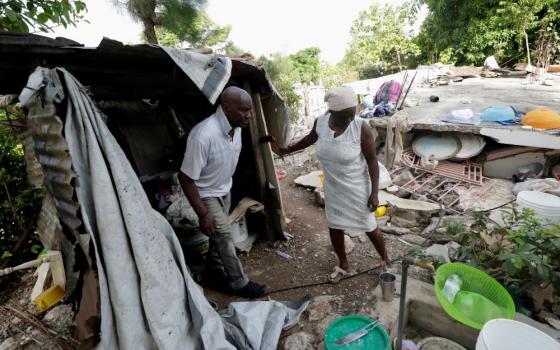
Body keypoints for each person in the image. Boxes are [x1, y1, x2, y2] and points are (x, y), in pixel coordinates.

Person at [278, 86, 389, 282]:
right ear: (332, 111)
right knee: (335, 226)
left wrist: (374, 193)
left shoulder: (359, 126)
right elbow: (309, 139)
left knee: (370, 226)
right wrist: (288, 150)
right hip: (334, 186)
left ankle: (385, 262)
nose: (349, 119)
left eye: (351, 114)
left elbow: (372, 160)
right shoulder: (321, 123)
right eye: (344, 116)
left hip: (358, 187)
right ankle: (344, 265)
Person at [178, 86, 267, 298]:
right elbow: (186, 178)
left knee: (217, 238)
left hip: (223, 189)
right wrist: (203, 213)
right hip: (205, 192)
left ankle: (214, 273)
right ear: (226, 108)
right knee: (225, 237)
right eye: (243, 110)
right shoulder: (203, 135)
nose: (248, 115)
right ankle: (240, 282)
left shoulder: (237, 128)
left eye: (250, 110)